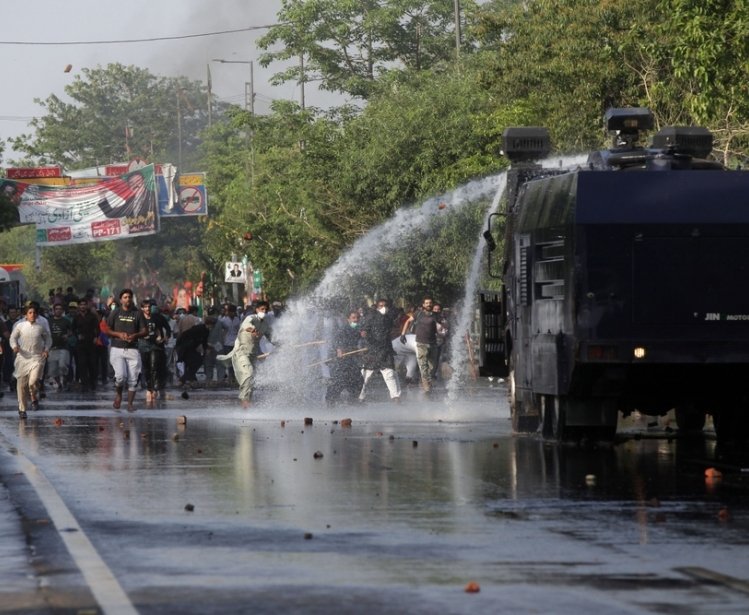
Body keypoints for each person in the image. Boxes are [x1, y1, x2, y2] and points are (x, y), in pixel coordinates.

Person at [218, 300, 272, 408]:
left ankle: (246, 404)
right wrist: (253, 330)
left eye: (266, 310)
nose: (264, 311)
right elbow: (248, 326)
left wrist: (284, 344)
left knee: (251, 380)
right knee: (248, 374)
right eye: (262, 309)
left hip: (253, 355)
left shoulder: (265, 324)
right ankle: (245, 401)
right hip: (241, 353)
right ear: (256, 310)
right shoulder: (250, 318)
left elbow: (272, 337)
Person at [106, 289, 147, 411]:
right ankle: (118, 395)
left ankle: (130, 404)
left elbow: (145, 331)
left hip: (133, 349)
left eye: (129, 297)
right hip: (117, 348)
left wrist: (135, 336)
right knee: (120, 377)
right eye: (125, 297)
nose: (127, 299)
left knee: (133, 379)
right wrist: (118, 334)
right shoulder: (115, 312)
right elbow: (107, 330)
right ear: (121, 299)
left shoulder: (138, 313)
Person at [10, 305, 50, 419]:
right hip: (22, 358)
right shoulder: (20, 326)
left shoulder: (41, 326)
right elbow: (12, 338)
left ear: (37, 315)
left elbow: (48, 338)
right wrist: (14, 346)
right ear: (26, 315)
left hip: (37, 357)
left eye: (34, 313)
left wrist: (46, 349)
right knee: (21, 386)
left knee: (33, 381)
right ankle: (22, 409)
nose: (32, 315)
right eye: (30, 313)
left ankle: (33, 395)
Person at [359, 299, 401, 402]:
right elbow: (364, 329)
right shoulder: (371, 317)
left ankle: (395, 397)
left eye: (385, 305)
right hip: (373, 350)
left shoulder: (389, 318)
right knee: (366, 375)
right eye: (381, 306)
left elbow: (391, 329)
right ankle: (360, 396)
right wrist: (364, 333)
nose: (384, 308)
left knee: (390, 373)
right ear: (377, 307)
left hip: (386, 350)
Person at [400, 296, 444, 394]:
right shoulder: (418, 313)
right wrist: (403, 334)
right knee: (423, 365)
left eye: (430, 303)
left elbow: (443, 325)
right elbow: (408, 321)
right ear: (423, 305)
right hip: (421, 343)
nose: (429, 304)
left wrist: (442, 329)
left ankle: (427, 381)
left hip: (433, 343)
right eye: (427, 303)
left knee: (432, 367)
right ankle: (426, 386)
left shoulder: (436, 315)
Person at [325, 310, 364, 406]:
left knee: (358, 380)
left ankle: (353, 400)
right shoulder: (343, 329)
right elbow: (337, 340)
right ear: (348, 319)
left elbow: (361, 343)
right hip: (340, 359)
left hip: (351, 359)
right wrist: (339, 349)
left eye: (358, 318)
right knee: (339, 380)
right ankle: (330, 401)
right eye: (353, 318)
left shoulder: (359, 330)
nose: (356, 320)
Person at [138, 299, 171, 404]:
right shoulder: (139, 318)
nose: (148, 309)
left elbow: (167, 329)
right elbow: (133, 330)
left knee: (154, 367)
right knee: (146, 368)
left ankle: (154, 389)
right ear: (142, 308)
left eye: (149, 307)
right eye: (146, 307)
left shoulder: (158, 317)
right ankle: (149, 387)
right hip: (143, 345)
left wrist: (164, 337)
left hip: (155, 346)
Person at [73, 297, 101, 391]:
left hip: (91, 343)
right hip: (81, 344)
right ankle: (84, 383)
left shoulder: (92, 316)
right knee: (82, 364)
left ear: (87, 305)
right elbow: (73, 329)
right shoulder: (76, 317)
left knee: (92, 364)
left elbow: (97, 328)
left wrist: (96, 337)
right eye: (81, 304)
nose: (83, 306)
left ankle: (93, 382)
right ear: (78, 306)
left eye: (84, 304)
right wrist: (77, 335)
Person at [47, 302, 73, 390]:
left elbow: (71, 331)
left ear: (62, 311)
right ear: (53, 311)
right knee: (53, 370)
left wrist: (67, 335)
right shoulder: (49, 321)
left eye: (60, 309)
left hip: (63, 347)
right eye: (56, 309)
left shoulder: (66, 321)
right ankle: (59, 383)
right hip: (52, 348)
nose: (58, 311)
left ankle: (64, 378)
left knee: (62, 365)